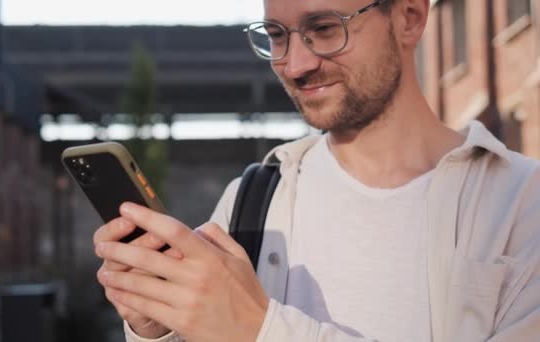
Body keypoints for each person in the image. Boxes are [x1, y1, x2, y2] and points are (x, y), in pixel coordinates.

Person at [93, 0, 540, 341]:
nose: (296, 64)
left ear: (409, 17)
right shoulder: (252, 199)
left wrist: (260, 328)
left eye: (325, 29)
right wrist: (161, 327)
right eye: (276, 35)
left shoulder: (520, 202)